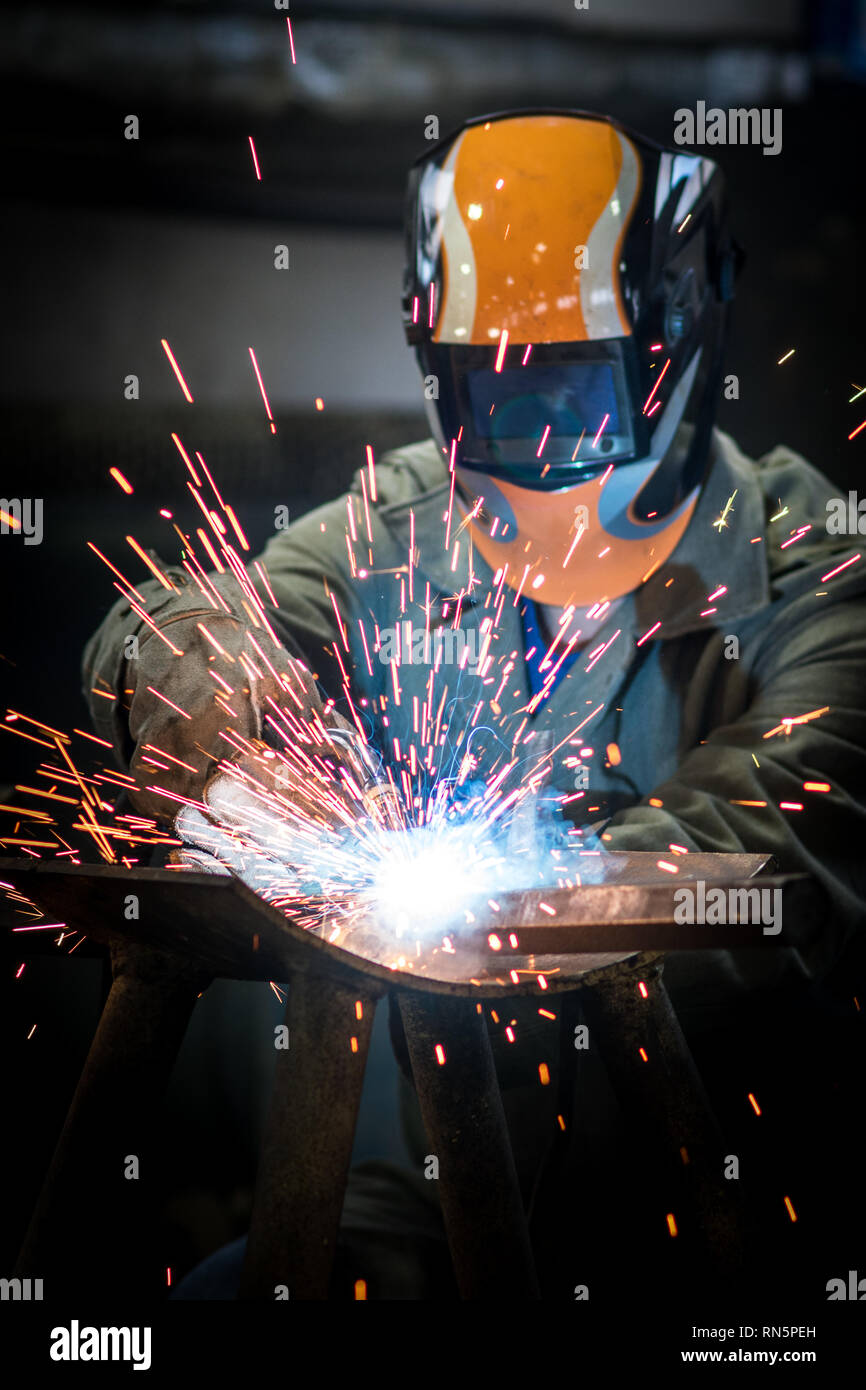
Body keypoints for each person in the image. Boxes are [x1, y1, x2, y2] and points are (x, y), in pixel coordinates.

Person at [83, 109, 866, 1301]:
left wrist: (516, 901)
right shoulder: (398, 528)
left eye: (571, 386)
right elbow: (156, 630)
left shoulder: (818, 574)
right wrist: (236, 744)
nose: (535, 434)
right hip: (428, 1203)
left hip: (731, 1230)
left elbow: (778, 832)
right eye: (490, 385)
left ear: (671, 349)